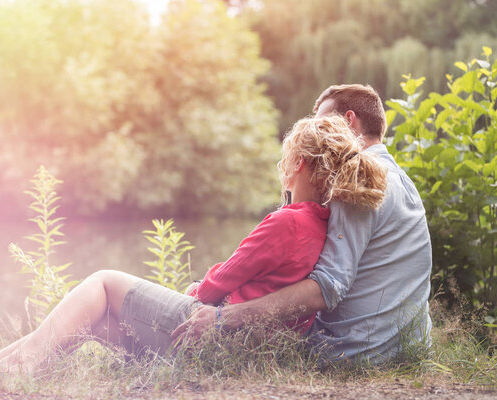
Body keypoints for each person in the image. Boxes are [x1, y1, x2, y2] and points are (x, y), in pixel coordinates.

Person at [0, 115, 386, 374]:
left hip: (219, 333)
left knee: (103, 281)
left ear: (298, 165)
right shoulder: (325, 225)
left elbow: (225, 278)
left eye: (284, 164)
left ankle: (19, 363)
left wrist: (193, 293)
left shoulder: (288, 222)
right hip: (250, 346)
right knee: (98, 322)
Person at [172, 84, 433, 365]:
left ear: (348, 121)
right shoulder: (402, 181)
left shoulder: (357, 184)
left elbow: (327, 287)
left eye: (322, 123)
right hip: (407, 350)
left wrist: (224, 318)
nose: (319, 134)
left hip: (352, 353)